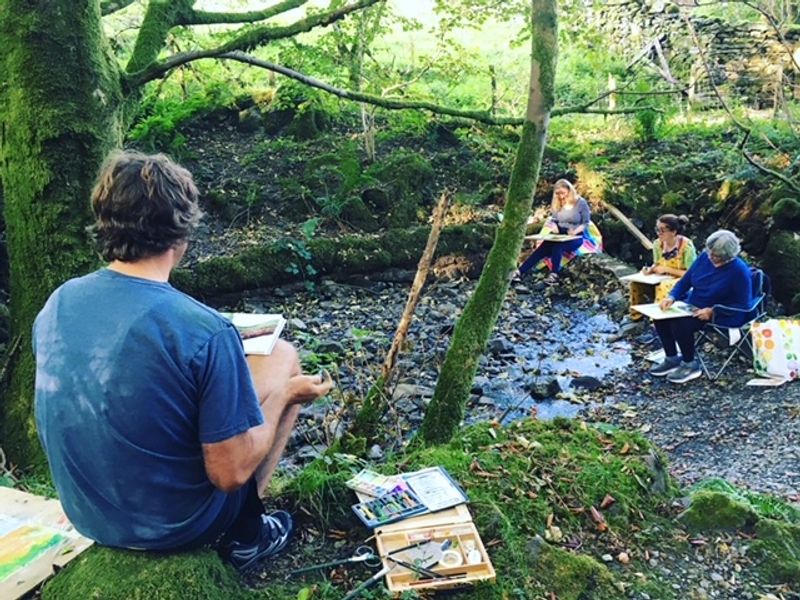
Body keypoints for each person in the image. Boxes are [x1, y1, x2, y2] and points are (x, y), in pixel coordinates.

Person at [33, 151, 333, 571]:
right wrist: (284, 395)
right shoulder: (203, 329)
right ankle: (245, 533)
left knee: (271, 357)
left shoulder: (60, 301)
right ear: (182, 235)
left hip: (89, 514)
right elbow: (228, 475)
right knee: (283, 363)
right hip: (173, 527)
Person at [649, 229, 753, 384]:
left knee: (680, 324)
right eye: (711, 253)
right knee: (661, 317)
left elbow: (743, 305)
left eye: (717, 257)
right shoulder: (705, 257)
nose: (712, 258)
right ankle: (671, 357)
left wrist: (713, 311)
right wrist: (672, 297)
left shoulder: (739, 271)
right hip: (694, 304)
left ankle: (690, 364)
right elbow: (686, 281)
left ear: (729, 257)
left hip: (722, 313)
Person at [516, 179, 598, 285]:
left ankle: (554, 275)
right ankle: (519, 272)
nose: (561, 196)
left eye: (562, 193)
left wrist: (575, 231)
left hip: (575, 236)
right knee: (542, 248)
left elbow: (585, 223)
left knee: (558, 247)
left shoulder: (580, 203)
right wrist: (554, 226)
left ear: (569, 190)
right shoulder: (557, 203)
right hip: (559, 234)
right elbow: (554, 219)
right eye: (558, 194)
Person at [629, 214, 697, 319]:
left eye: (662, 230)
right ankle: (636, 316)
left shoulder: (686, 246)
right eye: (657, 229)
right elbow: (656, 263)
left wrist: (667, 269)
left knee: (664, 286)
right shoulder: (657, 244)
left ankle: (657, 319)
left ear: (673, 232)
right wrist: (650, 270)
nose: (658, 233)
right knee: (635, 284)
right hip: (661, 276)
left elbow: (691, 274)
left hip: (681, 280)